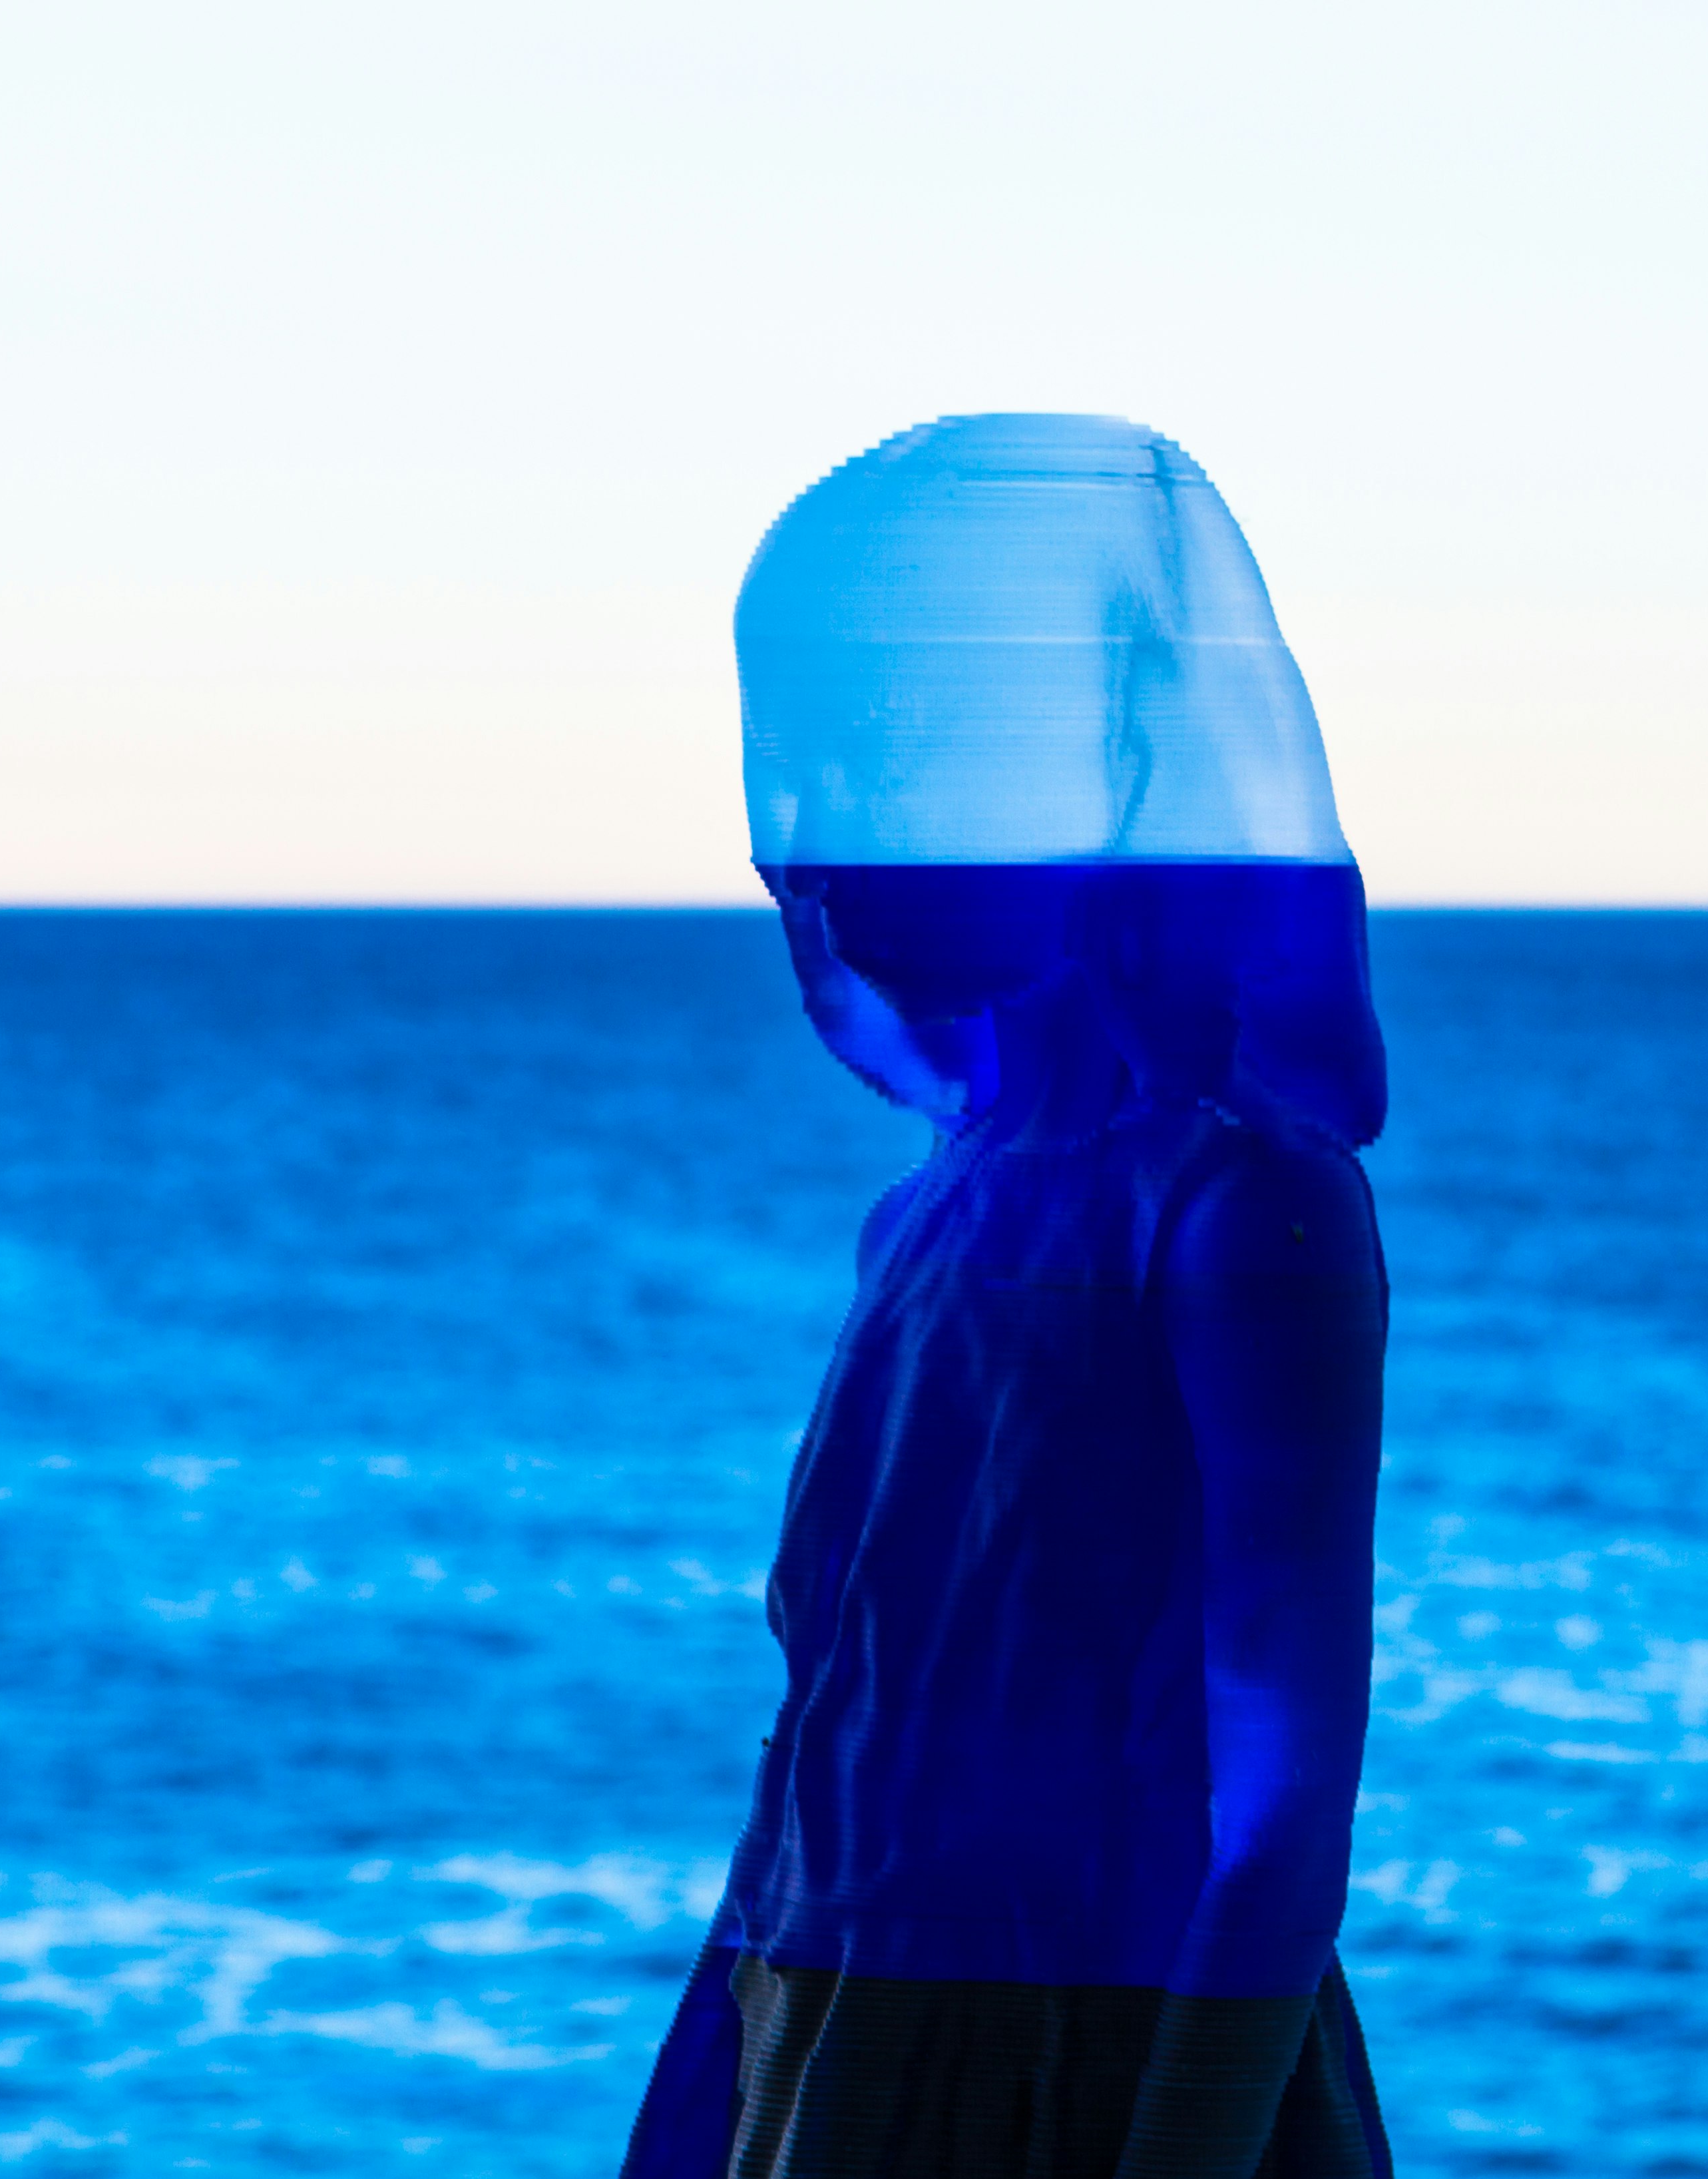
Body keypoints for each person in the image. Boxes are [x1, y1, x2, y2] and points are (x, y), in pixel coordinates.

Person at [620, 413, 1395, 2179]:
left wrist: (1179, 2149)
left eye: (914, 746)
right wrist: (712, 2085)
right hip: (826, 2035)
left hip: (1110, 2063)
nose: (844, 816)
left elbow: (1281, 1792)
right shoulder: (931, 1220)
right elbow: (834, 1732)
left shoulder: (1239, 1209)